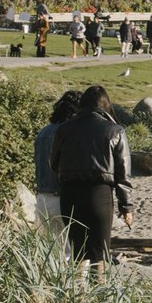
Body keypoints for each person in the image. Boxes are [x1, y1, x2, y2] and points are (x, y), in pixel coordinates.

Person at [48, 85, 132, 267]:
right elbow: (123, 175)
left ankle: (78, 292)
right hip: (99, 195)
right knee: (99, 253)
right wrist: (126, 207)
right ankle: (98, 290)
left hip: (70, 195)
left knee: (77, 251)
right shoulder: (115, 131)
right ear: (105, 105)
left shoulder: (64, 129)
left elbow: (54, 163)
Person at [32, 89, 82, 238]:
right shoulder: (71, 133)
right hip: (63, 198)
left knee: (51, 253)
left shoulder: (43, 132)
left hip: (42, 197)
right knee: (73, 253)